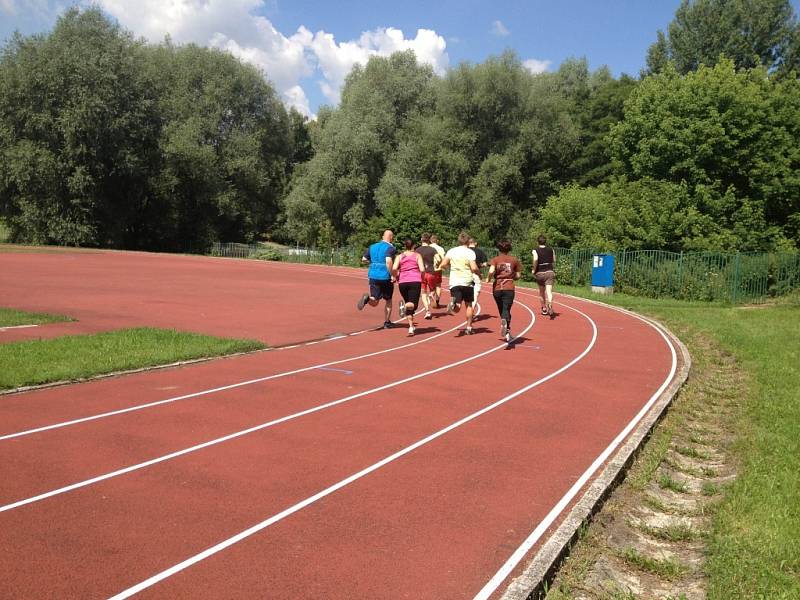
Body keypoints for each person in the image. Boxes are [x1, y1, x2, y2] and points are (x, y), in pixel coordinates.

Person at [438, 232, 480, 335]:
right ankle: (469, 327)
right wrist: (480, 274)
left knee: (457, 307)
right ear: (468, 241)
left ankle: (452, 304)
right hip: (467, 282)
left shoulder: (452, 251)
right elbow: (474, 267)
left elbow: (443, 264)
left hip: (454, 282)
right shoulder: (470, 252)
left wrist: (448, 267)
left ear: (459, 240)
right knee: (469, 305)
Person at [357, 229, 397, 328]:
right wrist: (392, 274)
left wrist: (373, 263)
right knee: (388, 299)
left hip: (373, 275)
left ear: (383, 237)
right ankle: (387, 322)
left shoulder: (372, 246)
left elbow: (364, 259)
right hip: (385, 276)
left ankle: (367, 299)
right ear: (391, 238)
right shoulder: (391, 248)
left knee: (374, 300)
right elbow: (388, 261)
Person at [486, 239, 522, 343]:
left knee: (502, 309)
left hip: (497, 287)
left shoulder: (495, 259)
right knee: (506, 309)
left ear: (499, 248)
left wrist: (488, 278)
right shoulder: (514, 260)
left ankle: (507, 330)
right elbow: (518, 275)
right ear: (509, 248)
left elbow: (492, 270)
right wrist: (513, 276)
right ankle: (505, 325)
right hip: (509, 287)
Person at [393, 238, 426, 335]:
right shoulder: (417, 255)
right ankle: (404, 307)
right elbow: (422, 269)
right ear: (414, 246)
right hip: (414, 281)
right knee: (413, 305)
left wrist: (396, 276)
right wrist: (422, 277)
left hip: (402, 282)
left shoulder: (400, 256)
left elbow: (394, 268)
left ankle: (411, 327)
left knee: (409, 305)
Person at [532, 234, 557, 317]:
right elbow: (554, 260)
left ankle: (544, 308)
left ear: (538, 242)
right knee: (549, 291)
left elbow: (535, 259)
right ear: (545, 241)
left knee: (541, 292)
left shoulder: (535, 250)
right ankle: (550, 303)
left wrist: (533, 269)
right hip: (550, 271)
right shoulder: (551, 249)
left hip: (540, 273)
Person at [415, 233, 438, 319]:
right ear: (429, 240)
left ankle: (427, 311)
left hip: (421, 273)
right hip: (431, 272)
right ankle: (431, 295)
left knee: (423, 292)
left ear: (421, 239)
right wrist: (437, 264)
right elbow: (438, 258)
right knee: (433, 290)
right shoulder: (432, 249)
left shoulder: (417, 250)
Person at [468, 237, 489, 314]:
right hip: (476, 273)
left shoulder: (465, 251)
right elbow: (485, 264)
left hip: (465, 273)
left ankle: (456, 300)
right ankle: (472, 306)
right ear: (475, 243)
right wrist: (481, 266)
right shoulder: (480, 252)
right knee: (476, 291)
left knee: (463, 290)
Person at [429, 234, 446, 307]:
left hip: (429, 269)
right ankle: (437, 301)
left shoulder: (427, 248)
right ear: (437, 241)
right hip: (438, 269)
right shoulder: (440, 248)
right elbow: (443, 258)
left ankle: (431, 295)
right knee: (438, 285)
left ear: (430, 240)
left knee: (430, 285)